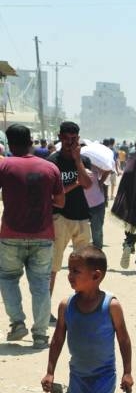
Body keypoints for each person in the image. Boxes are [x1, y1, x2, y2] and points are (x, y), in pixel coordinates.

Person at [42, 245, 132, 393]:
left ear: (96, 275)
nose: (70, 276)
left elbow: (123, 339)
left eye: (76, 271)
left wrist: (127, 371)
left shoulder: (110, 306)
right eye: (69, 270)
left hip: (104, 375)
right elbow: (58, 338)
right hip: (78, 375)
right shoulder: (66, 305)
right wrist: (50, 371)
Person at [0, 124, 65, 349]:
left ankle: (18, 323)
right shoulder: (50, 168)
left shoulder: (4, 165)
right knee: (40, 284)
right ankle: (40, 335)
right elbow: (60, 202)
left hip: (11, 234)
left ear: (10, 143)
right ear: (30, 141)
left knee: (8, 278)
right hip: (43, 234)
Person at [48, 121, 94, 296]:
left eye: (73, 139)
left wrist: (77, 160)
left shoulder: (84, 160)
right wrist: (75, 183)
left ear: (78, 139)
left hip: (81, 217)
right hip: (59, 217)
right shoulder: (52, 162)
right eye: (66, 138)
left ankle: (81, 304)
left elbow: (88, 184)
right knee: (53, 266)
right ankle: (45, 310)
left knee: (83, 265)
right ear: (60, 137)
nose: (69, 142)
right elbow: (52, 196)